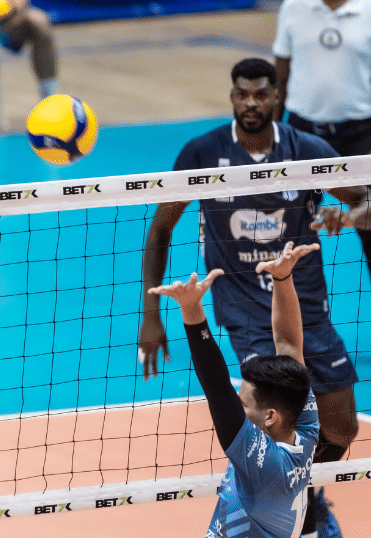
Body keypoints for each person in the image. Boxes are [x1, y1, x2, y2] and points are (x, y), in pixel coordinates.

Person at [138, 58, 368, 538]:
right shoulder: (203, 153)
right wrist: (152, 314)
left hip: (305, 307)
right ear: (232, 97)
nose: (251, 103)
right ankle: (257, 515)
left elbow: (366, 201)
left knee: (343, 428)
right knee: (264, 422)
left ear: (275, 97)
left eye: (260, 94)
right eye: (242, 94)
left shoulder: (307, 151)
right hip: (243, 311)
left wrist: (346, 219)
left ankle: (295, 494)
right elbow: (160, 227)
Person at [148, 243, 318, 538]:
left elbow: (217, 388)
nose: (237, 408)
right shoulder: (303, 424)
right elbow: (289, 345)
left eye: (244, 404)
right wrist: (282, 278)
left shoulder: (262, 467)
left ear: (270, 417)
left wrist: (192, 311)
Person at [273, 0, 371, 281]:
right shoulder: (294, 6)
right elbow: (279, 80)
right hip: (301, 138)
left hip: (360, 138)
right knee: (288, 234)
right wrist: (271, 142)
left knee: (370, 224)